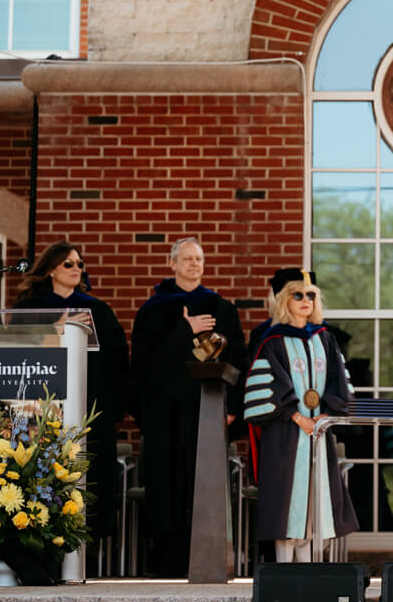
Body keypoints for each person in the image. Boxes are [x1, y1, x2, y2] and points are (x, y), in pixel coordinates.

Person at [131, 237, 247, 577]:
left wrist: (232, 408)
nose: (194, 264)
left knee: (203, 487)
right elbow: (145, 365)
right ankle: (167, 564)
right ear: (172, 263)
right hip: (164, 415)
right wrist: (185, 329)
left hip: (206, 412)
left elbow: (237, 358)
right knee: (166, 488)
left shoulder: (221, 308)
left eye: (199, 258)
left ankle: (207, 562)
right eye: (187, 258)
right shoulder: (154, 310)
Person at [13, 241, 129, 541]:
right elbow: (15, 354)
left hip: (88, 409)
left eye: (79, 264)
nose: (76, 269)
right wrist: (56, 329)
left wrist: (112, 409)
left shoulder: (98, 311)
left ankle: (87, 544)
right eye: (69, 264)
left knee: (91, 479)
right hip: (38, 410)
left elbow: (117, 362)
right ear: (51, 269)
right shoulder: (28, 310)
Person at [243, 269, 358, 561]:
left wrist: (326, 414)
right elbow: (268, 388)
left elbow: (339, 383)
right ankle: (284, 574)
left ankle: (305, 576)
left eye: (311, 295)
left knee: (311, 509)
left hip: (318, 432)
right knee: (286, 507)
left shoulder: (325, 339)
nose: (306, 300)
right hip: (285, 435)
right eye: (298, 295)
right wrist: (297, 417)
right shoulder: (271, 341)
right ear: (285, 300)